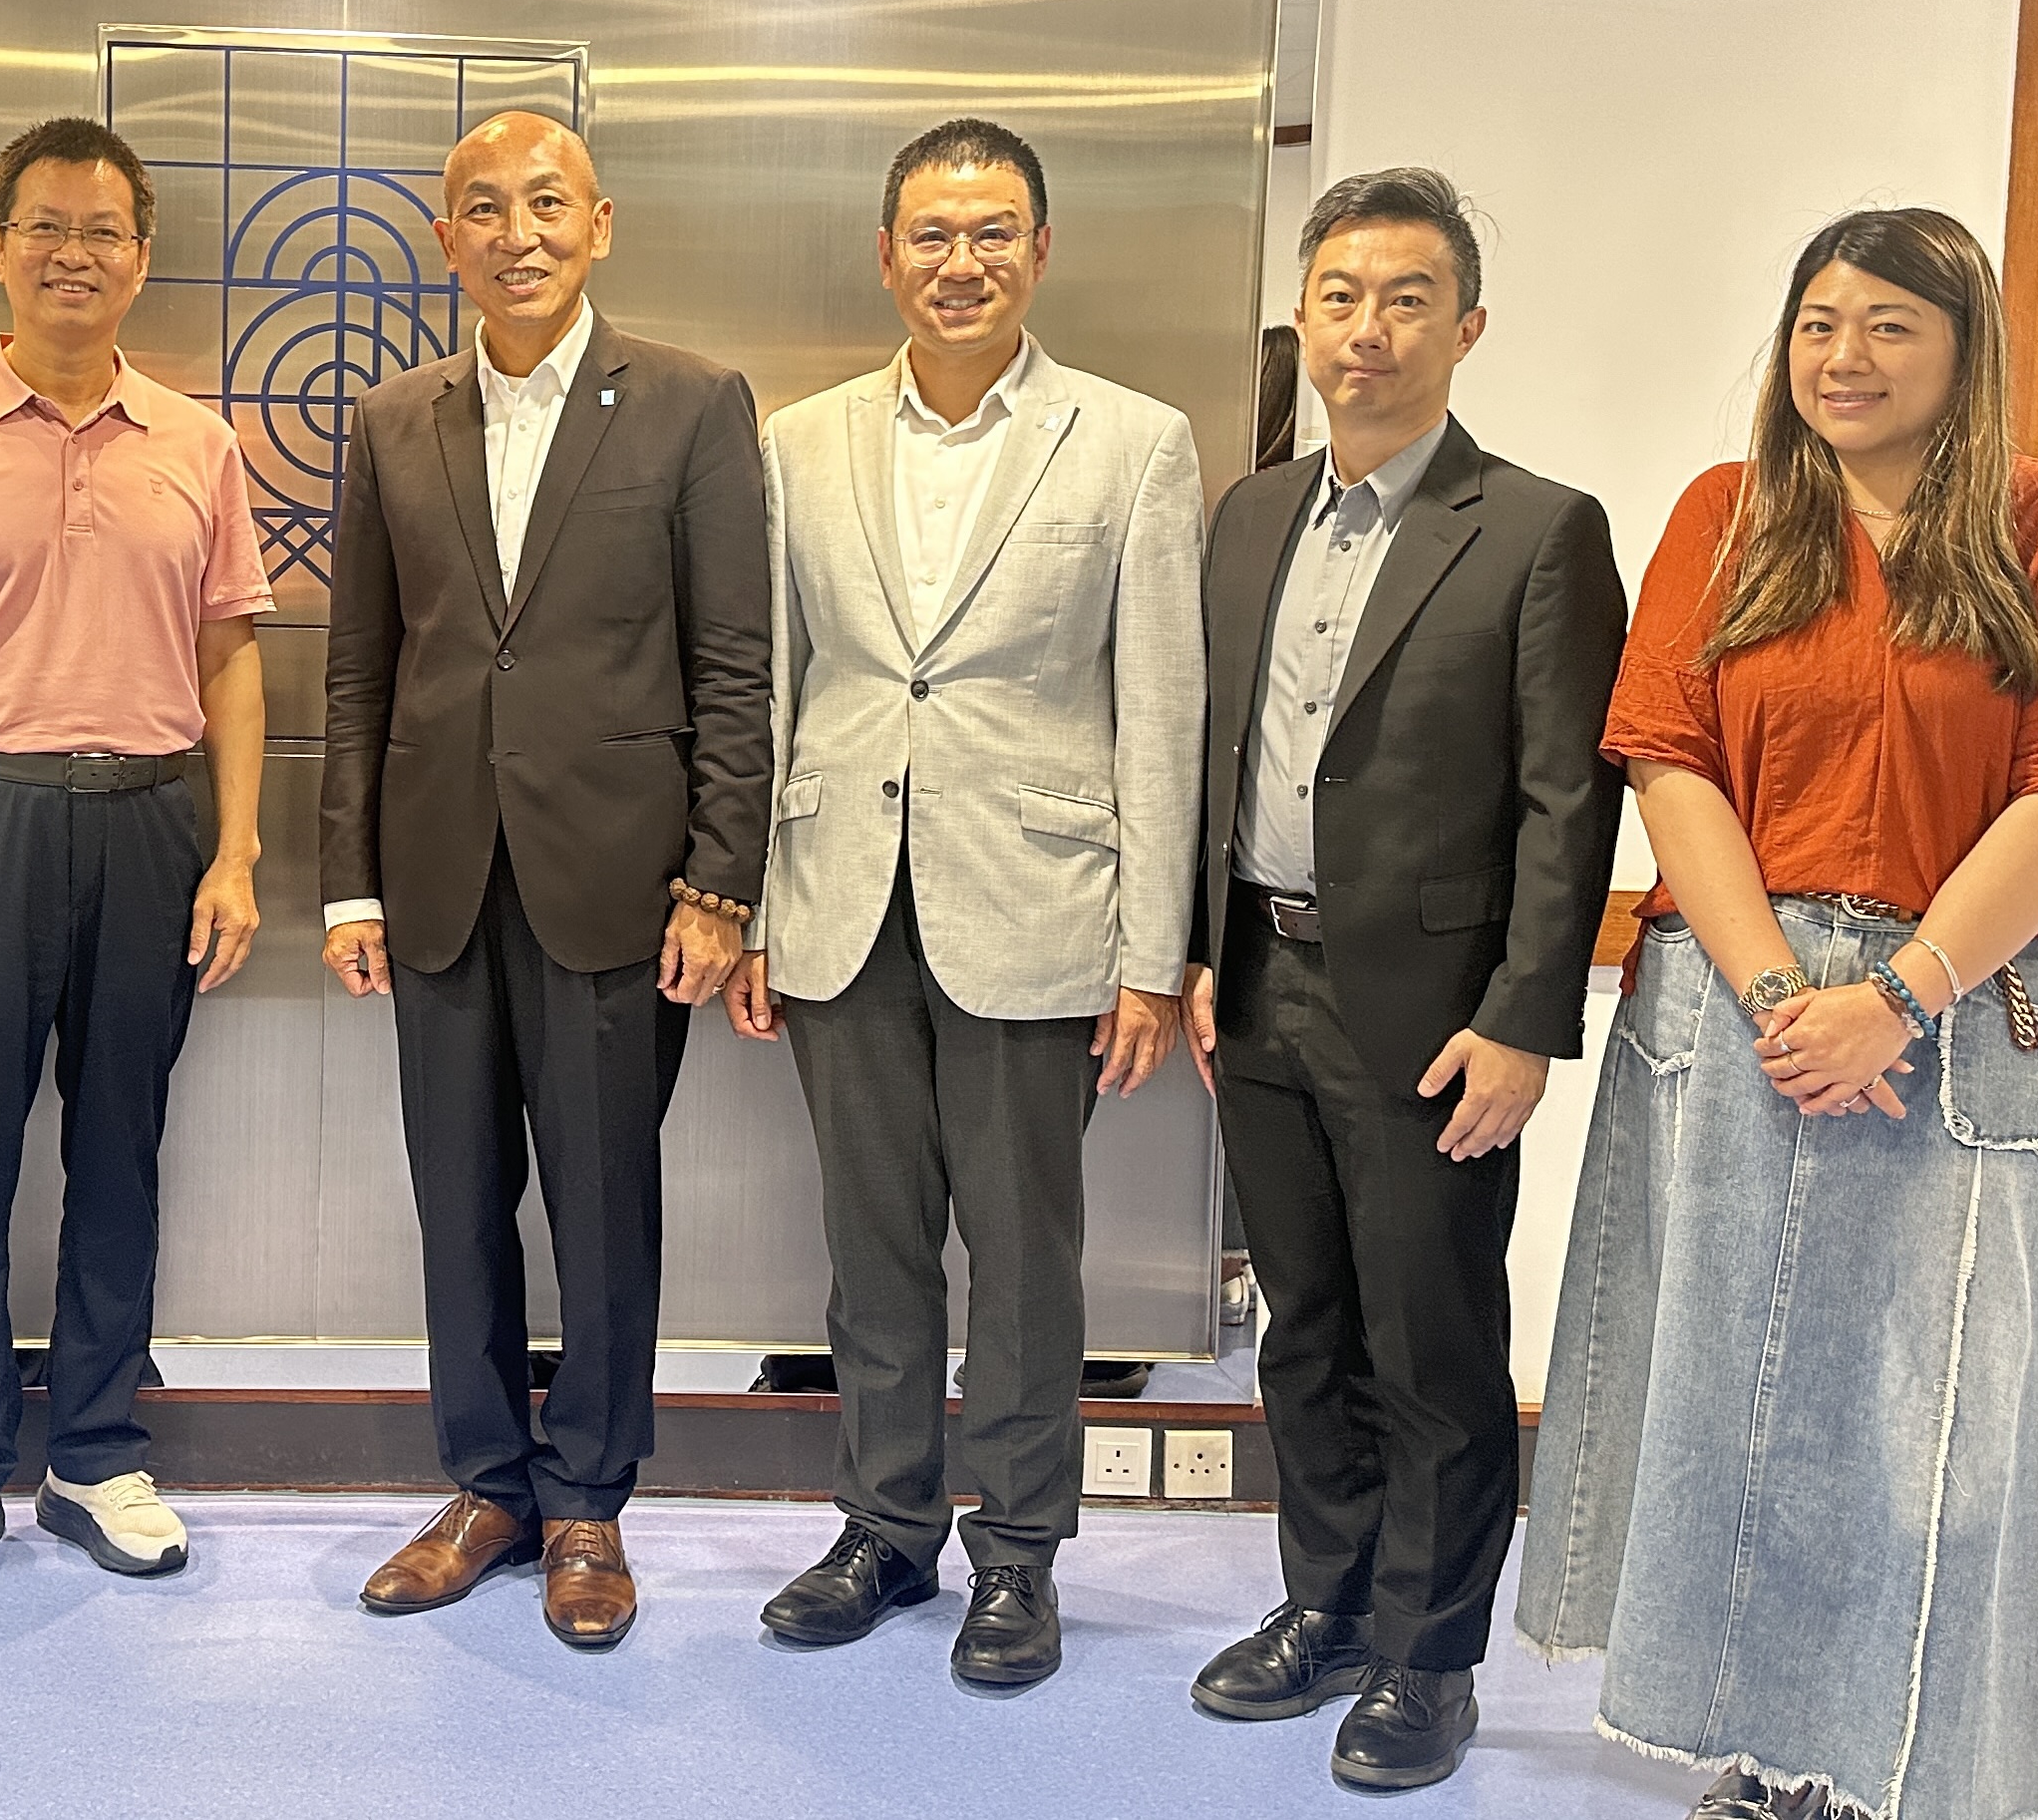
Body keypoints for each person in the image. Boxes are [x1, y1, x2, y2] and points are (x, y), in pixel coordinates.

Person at [1515, 210, 2038, 1820]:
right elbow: (1670, 762)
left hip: (1966, 1015)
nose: (1845, 356)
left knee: (1944, 1421)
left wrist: (1896, 995)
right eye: (1819, 323)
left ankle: (1914, 1769)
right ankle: (1764, 1758)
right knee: (1738, 1408)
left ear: (1966, 348)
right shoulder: (1729, 515)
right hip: (1738, 1014)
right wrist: (1778, 992)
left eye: (1890, 324)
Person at [727, 118, 1201, 1688]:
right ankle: (882, 1526)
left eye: (993, 232)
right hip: (840, 899)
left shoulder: (1131, 442)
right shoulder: (800, 443)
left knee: (1024, 1257)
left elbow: (1163, 709)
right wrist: (754, 908)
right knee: (871, 1250)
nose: (962, 262)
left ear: (1040, 251)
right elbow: (775, 685)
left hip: (1039, 906)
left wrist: (1152, 956)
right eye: (932, 234)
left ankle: (1019, 1553)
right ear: (887, 256)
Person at [1184, 169, 1627, 1792]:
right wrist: (1192, 950)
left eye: (1407, 299)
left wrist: (1524, 1020)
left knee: (1430, 1344)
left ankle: (1429, 1660)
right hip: (1259, 980)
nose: (1367, 329)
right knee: (1302, 1324)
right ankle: (1327, 1608)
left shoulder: (1537, 529)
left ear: (1467, 326)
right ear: (1304, 319)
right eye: (1341, 296)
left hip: (1437, 1016)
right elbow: (1217, 756)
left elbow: (1569, 802)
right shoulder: (1250, 516)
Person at [325, 111, 771, 1651]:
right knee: (454, 1200)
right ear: (445, 237)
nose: (515, 233)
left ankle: (588, 1499)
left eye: (545, 204)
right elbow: (359, 671)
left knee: (602, 1200)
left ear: (600, 223)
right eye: (482, 208)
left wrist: (722, 877)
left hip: (619, 880)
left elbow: (734, 659)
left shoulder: (694, 403)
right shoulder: (393, 418)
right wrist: (348, 882)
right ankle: (485, 1487)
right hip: (437, 874)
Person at [0, 118, 274, 1602]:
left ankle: (94, 1449)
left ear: (141, 258)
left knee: (121, 1146)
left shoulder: (199, 444)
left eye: (102, 232)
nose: (72, 255)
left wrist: (236, 851)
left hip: (150, 823)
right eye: (45, 227)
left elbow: (230, 658)